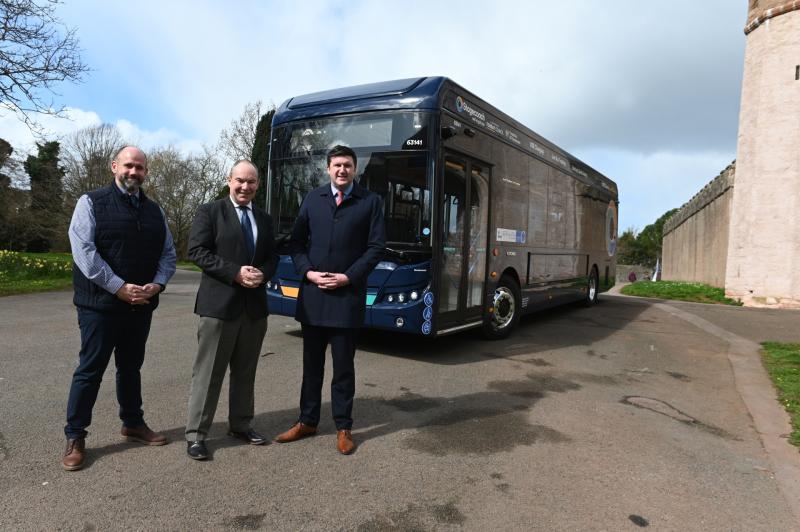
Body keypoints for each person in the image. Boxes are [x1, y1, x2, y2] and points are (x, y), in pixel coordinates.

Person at [62, 146, 177, 471]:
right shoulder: (90, 202)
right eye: (128, 165)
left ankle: (132, 423)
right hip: (99, 306)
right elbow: (83, 251)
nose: (134, 172)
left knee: (130, 368)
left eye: (140, 168)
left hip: (140, 305)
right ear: (115, 166)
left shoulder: (156, 211)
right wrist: (118, 287)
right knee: (90, 370)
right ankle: (75, 436)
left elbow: (168, 253)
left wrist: (157, 284)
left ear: (146, 172)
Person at [274, 144, 386, 455]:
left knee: (343, 369)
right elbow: (296, 243)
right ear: (328, 168)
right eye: (336, 165)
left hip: (346, 299)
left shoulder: (370, 202)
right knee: (311, 367)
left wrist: (348, 276)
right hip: (313, 299)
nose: (342, 170)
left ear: (355, 169)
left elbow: (376, 248)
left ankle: (343, 427)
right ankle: (307, 421)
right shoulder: (313, 199)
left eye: (347, 165)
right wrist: (308, 273)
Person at [184, 160, 278, 460]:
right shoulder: (210, 212)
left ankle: (240, 424)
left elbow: (273, 257)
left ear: (257, 185)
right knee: (208, 373)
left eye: (251, 182)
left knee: (245, 372)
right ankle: (197, 434)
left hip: (254, 309)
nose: (245, 187)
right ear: (229, 180)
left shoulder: (264, 219)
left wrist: (263, 273)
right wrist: (236, 272)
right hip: (218, 308)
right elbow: (197, 251)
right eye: (240, 180)